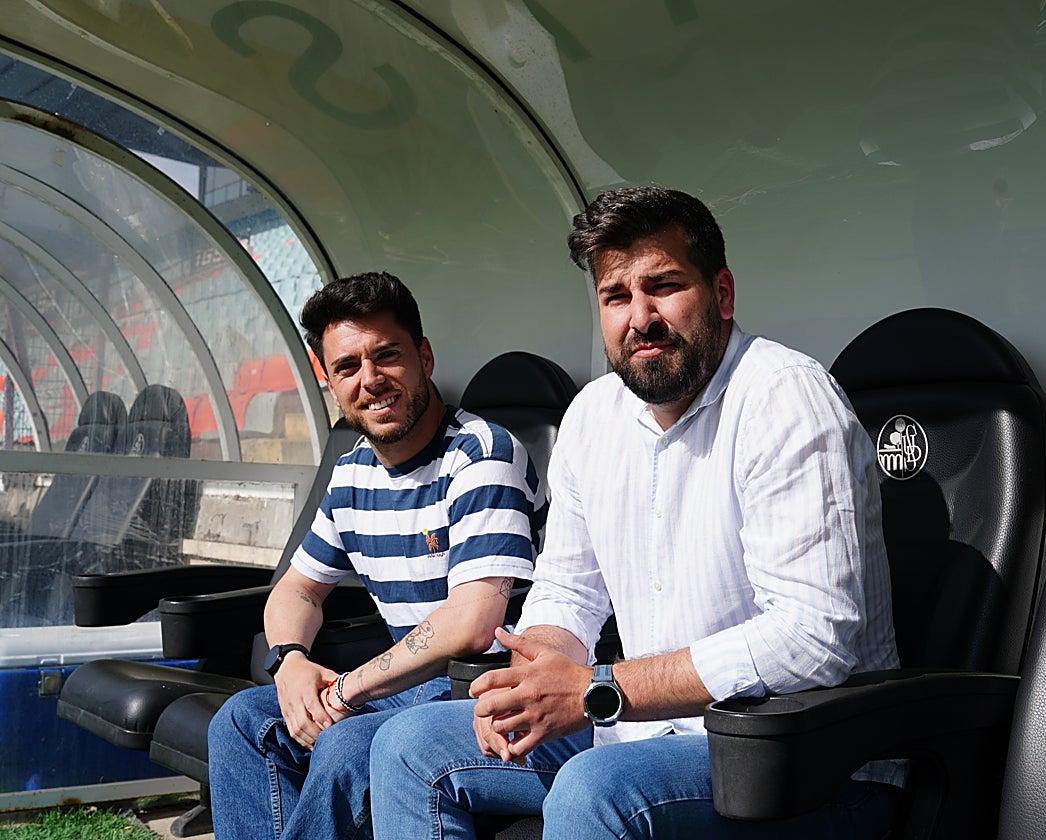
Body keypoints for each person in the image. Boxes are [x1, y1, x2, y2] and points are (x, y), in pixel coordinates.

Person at [368, 187, 903, 839]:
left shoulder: (785, 398)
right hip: (643, 729)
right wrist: (531, 678)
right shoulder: (594, 415)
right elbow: (567, 589)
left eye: (665, 286)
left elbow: (813, 638)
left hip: (803, 760)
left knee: (597, 791)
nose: (640, 317)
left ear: (722, 294)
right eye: (616, 297)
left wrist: (598, 688)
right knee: (410, 746)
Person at [207, 271, 544, 840]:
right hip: (406, 688)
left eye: (386, 355)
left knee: (342, 740)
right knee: (240, 722)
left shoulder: (483, 454)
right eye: (347, 367)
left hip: (482, 689)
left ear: (425, 357)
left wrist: (342, 691)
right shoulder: (352, 471)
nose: (371, 380)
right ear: (330, 383)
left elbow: (472, 623)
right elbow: (296, 590)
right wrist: (289, 661)